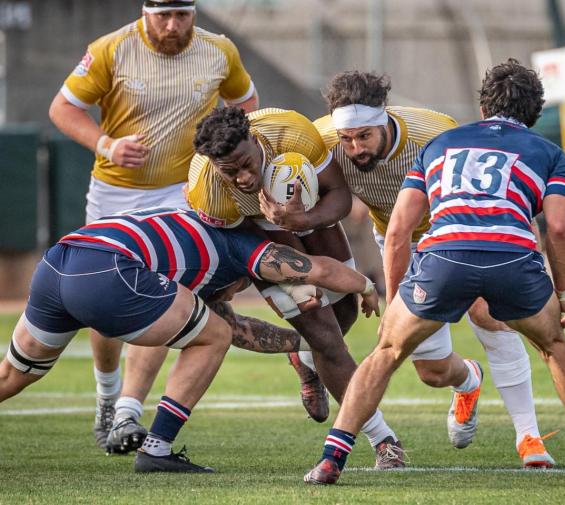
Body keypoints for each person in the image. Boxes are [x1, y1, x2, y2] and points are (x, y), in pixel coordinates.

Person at [304, 59, 565, 486]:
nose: (354, 146)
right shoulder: (550, 153)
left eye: (363, 136)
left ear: (483, 107)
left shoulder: (439, 139)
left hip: (441, 251)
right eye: (348, 138)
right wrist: (562, 291)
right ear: (534, 113)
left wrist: (397, 302)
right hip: (507, 253)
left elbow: (399, 229)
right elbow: (559, 227)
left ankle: (331, 461)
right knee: (553, 346)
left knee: (387, 352)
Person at [106, 107, 407, 469]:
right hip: (259, 234)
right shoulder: (208, 190)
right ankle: (383, 439)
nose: (244, 177)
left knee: (342, 315)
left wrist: (303, 219)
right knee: (326, 337)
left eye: (246, 164)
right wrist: (278, 276)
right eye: (229, 171)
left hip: (310, 212)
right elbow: (241, 248)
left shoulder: (291, 132)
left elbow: (339, 195)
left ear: (254, 139)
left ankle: (305, 359)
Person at [0, 207, 380, 473]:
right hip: (111, 270)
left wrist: (306, 346)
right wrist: (365, 285)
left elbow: (242, 330)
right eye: (240, 287)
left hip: (59, 261)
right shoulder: (243, 247)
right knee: (213, 335)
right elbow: (317, 269)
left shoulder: (193, 225)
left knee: (13, 376)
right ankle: (157, 448)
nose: (231, 295)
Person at [48, 0, 260, 449]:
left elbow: (245, 105)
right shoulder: (110, 49)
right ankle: (107, 396)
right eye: (162, 15)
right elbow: (62, 109)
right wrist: (105, 144)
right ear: (145, 13)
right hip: (115, 193)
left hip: (180, 193)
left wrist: (221, 156)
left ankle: (127, 411)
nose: (171, 25)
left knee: (159, 295)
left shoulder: (219, 49)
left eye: (181, 15)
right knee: (102, 312)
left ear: (195, 14)